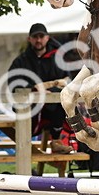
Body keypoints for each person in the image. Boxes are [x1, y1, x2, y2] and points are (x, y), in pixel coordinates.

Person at [6, 23, 72, 152]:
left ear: (47, 38)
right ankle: (25, 148)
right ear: (29, 39)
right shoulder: (21, 61)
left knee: (61, 101)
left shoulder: (58, 59)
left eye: (41, 36)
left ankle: (56, 141)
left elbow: (67, 81)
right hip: (30, 107)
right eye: (35, 37)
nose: (38, 40)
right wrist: (35, 90)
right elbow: (13, 82)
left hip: (52, 108)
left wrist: (51, 91)